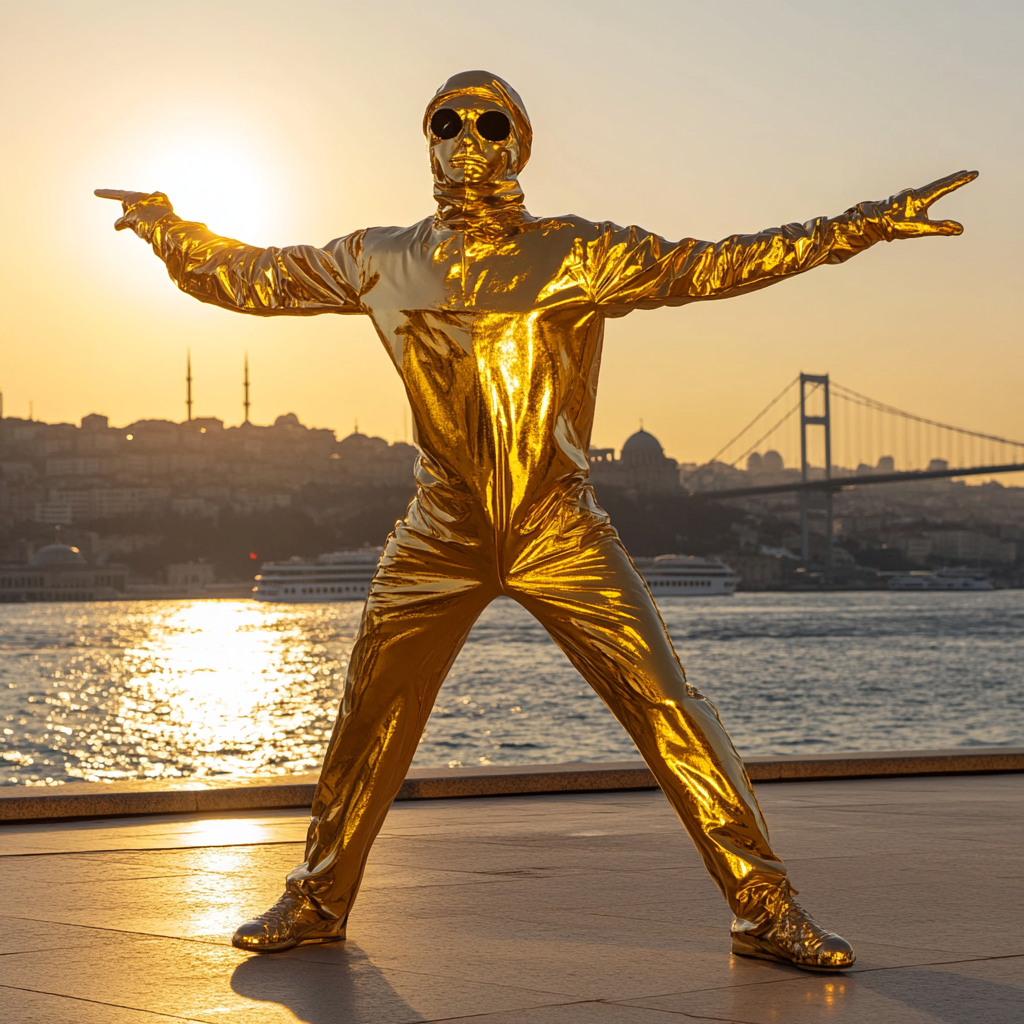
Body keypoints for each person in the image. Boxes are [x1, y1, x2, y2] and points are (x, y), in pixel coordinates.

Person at [97, 70, 975, 971]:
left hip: (561, 530)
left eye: (489, 121)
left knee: (671, 709)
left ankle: (764, 907)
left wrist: (862, 225)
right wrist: (169, 228)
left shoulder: (578, 253)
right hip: (438, 533)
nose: (467, 138)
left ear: (519, 143)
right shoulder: (378, 257)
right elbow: (251, 279)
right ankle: (318, 899)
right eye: (448, 120)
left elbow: (722, 262)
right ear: (426, 139)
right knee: (370, 717)